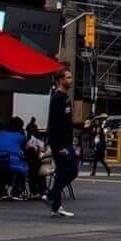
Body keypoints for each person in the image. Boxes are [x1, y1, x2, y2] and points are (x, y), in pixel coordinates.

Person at [46, 67, 78, 217]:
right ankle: (52, 196)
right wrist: (58, 146)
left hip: (67, 141)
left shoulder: (65, 98)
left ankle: (55, 203)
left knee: (66, 171)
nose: (70, 80)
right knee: (67, 170)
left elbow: (66, 122)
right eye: (68, 78)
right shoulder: (57, 98)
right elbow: (54, 124)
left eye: (71, 77)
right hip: (60, 143)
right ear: (60, 80)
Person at [0, 117, 30, 200]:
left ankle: (1, 190)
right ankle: (17, 191)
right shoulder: (20, 134)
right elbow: (24, 148)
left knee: (1, 170)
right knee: (23, 168)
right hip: (11, 162)